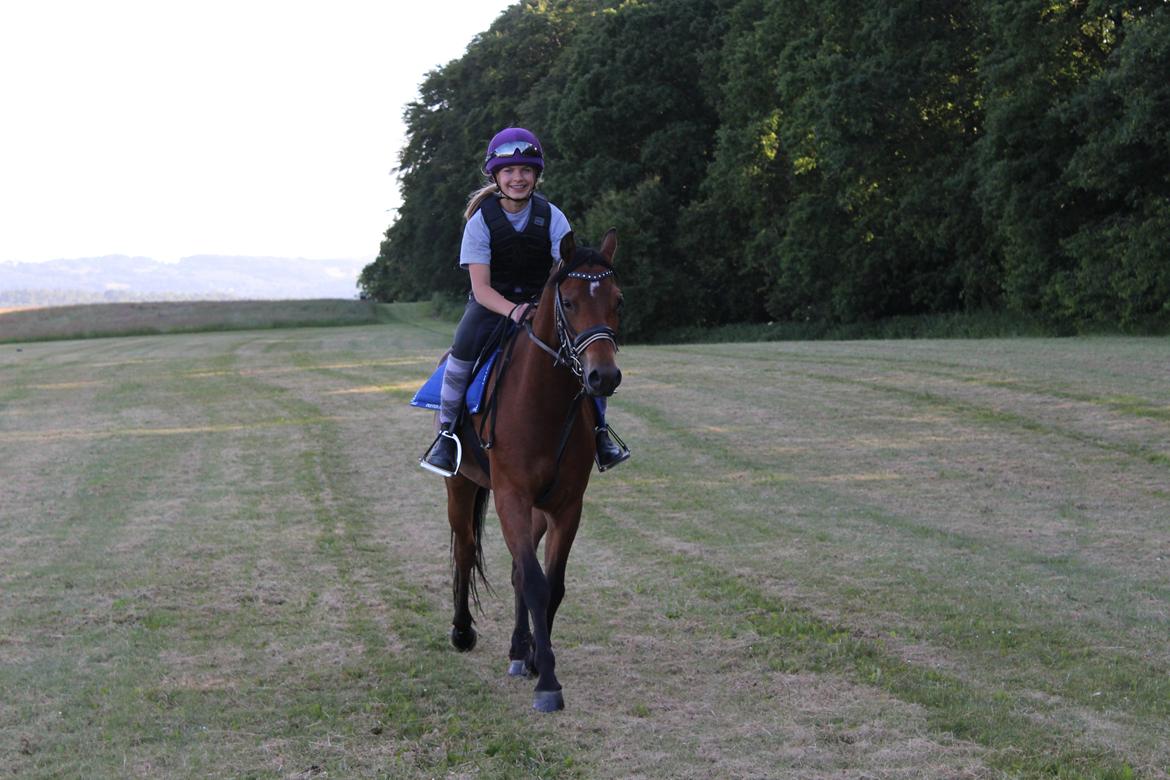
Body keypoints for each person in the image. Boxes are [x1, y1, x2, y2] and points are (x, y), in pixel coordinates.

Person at [420, 126, 630, 477]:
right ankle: (446, 436)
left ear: (536, 175)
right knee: (460, 351)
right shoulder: (480, 222)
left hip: (541, 306)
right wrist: (515, 310)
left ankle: (600, 433)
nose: (518, 178)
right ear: (496, 176)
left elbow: (569, 268)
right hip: (490, 307)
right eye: (509, 171)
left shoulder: (552, 217)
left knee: (588, 353)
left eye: (526, 171)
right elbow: (482, 288)